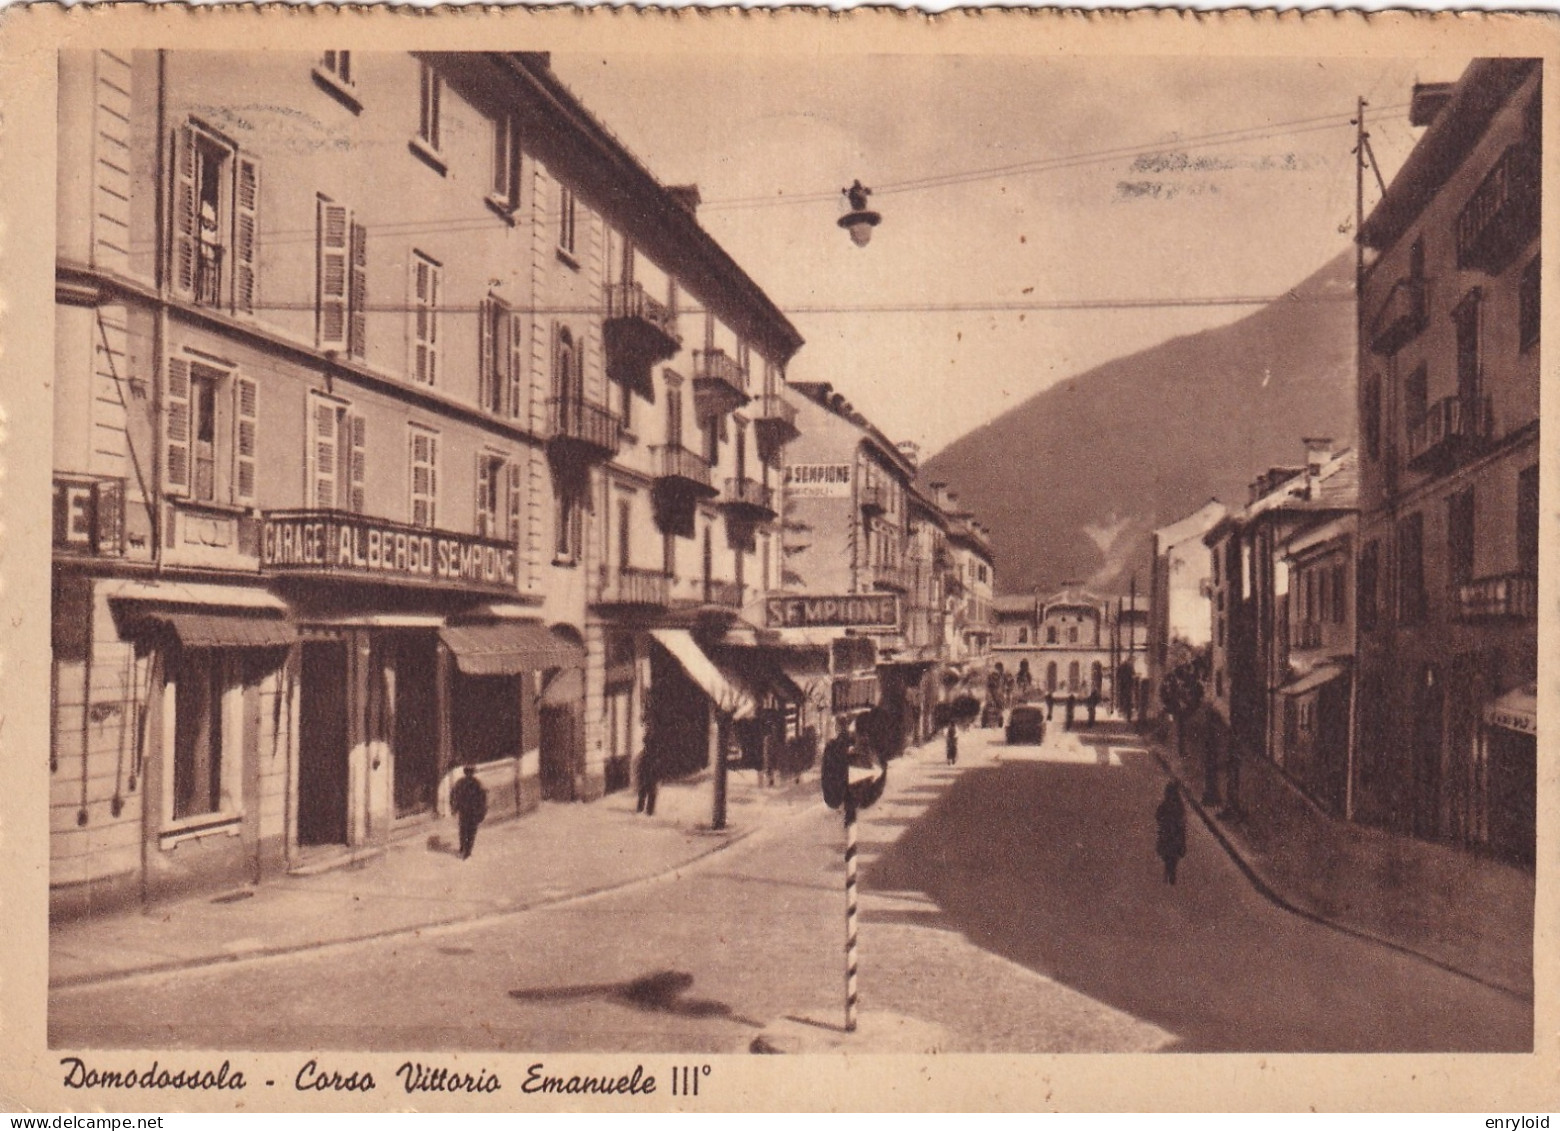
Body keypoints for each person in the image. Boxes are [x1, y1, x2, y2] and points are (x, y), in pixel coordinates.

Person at [450, 764, 489, 860]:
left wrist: (454, 808)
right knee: (471, 831)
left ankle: (463, 847)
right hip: (473, 811)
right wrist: (482, 810)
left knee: (463, 830)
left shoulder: (460, 783)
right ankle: (467, 850)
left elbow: (453, 796)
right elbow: (483, 798)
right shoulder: (477, 783)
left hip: (464, 810)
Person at [1155, 781, 1187, 884]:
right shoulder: (1179, 805)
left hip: (1167, 833)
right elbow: (1182, 820)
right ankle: (1172, 872)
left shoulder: (1165, 804)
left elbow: (1158, 815)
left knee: (1167, 853)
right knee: (1174, 854)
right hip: (1176, 834)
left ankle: (1168, 871)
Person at [636, 746, 660, 816]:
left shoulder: (643, 754)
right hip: (651, 776)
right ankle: (649, 811)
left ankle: (641, 809)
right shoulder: (656, 755)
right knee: (651, 793)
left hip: (646, 776)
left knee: (644, 793)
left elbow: (639, 766)